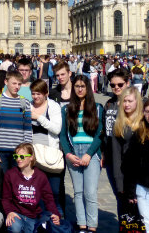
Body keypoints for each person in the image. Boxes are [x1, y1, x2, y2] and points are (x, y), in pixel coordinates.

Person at [59, 75, 103, 232]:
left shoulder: (97, 108)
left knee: (90, 193)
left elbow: (100, 134)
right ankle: (82, 225)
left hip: (91, 153)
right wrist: (69, 154)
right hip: (74, 152)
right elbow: (63, 135)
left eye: (82, 86)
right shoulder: (66, 109)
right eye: (77, 86)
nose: (79, 89)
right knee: (78, 192)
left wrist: (89, 154)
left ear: (88, 88)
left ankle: (92, 227)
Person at [2, 142, 60, 232]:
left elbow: (48, 199)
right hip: (17, 214)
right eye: (16, 156)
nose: (18, 159)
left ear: (31, 157)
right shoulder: (10, 174)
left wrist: (55, 214)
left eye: (22, 156)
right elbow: (6, 198)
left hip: (34, 216)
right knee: (14, 228)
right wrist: (9, 212)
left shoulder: (41, 176)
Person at [29, 79, 64, 215]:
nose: (36, 97)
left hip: (50, 154)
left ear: (46, 94)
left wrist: (38, 117)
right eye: (33, 94)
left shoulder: (53, 106)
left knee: (54, 192)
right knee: (36, 193)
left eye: (39, 94)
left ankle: (57, 223)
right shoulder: (29, 106)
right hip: (34, 155)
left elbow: (56, 129)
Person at [0, 71, 32, 173]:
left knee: (16, 183)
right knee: (1, 184)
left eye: (19, 84)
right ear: (6, 82)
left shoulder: (24, 102)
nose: (17, 87)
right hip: (0, 150)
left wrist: (26, 150)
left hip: (18, 151)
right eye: (14, 83)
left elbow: (28, 129)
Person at [111, 86, 144, 220]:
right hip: (126, 176)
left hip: (142, 177)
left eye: (130, 101)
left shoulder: (143, 122)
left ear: (137, 102)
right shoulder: (119, 124)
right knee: (127, 217)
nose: (127, 104)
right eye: (124, 101)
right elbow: (116, 155)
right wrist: (119, 183)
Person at [102, 68, 130, 199]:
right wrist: (103, 153)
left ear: (127, 83)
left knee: (129, 195)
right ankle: (121, 220)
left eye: (120, 85)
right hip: (111, 157)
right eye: (113, 85)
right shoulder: (109, 104)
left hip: (128, 158)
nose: (116, 87)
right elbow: (103, 132)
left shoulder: (132, 104)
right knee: (118, 195)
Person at [122, 98, 149, 227]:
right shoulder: (139, 133)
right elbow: (129, 163)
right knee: (145, 222)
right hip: (141, 187)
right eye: (147, 112)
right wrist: (130, 190)